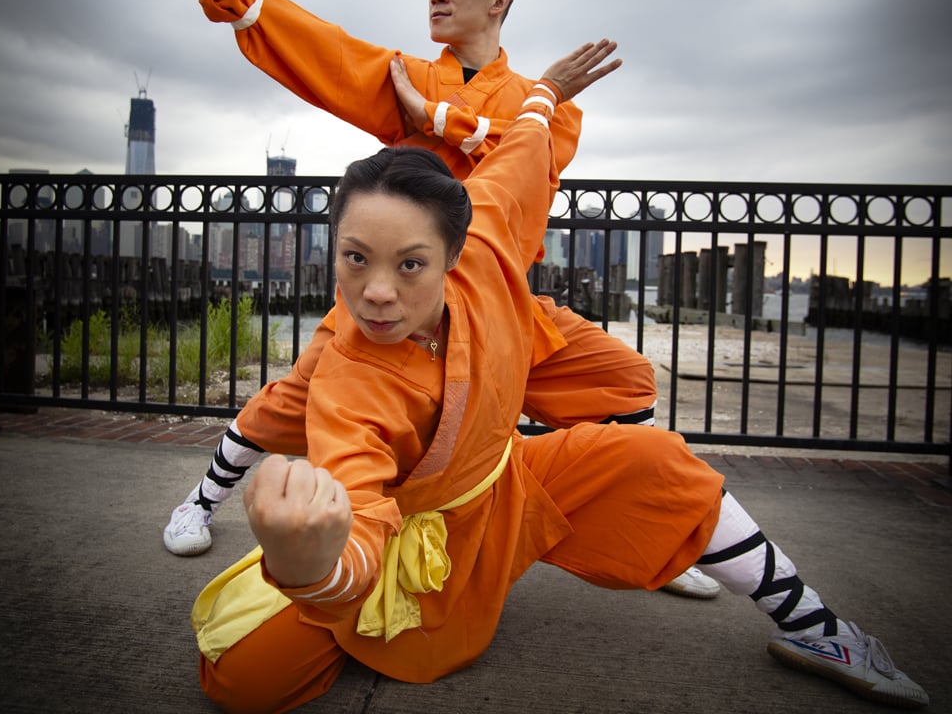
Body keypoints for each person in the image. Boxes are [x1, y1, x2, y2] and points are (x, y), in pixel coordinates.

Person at [189, 43, 928, 712]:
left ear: (453, 254)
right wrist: (313, 564)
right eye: (355, 258)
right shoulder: (349, 377)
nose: (377, 291)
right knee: (244, 679)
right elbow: (361, 517)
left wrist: (544, 90)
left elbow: (525, 144)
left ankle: (817, 630)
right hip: (426, 539)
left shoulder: (486, 237)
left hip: (513, 485)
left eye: (408, 264)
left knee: (658, 459)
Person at [150, 0, 718, 599]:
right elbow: (321, 53)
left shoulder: (553, 100)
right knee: (286, 403)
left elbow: (528, 156)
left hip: (498, 303)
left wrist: (438, 121)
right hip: (407, 297)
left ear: (500, 1)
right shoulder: (409, 79)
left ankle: (655, 534)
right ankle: (202, 500)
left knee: (624, 378)